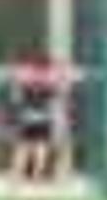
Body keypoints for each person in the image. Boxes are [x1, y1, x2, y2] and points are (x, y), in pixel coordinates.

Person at [7, 47, 65, 184]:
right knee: (41, 146)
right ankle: (36, 176)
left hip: (27, 115)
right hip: (44, 116)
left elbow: (15, 96)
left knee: (23, 146)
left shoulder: (26, 76)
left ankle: (15, 177)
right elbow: (58, 95)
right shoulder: (51, 78)